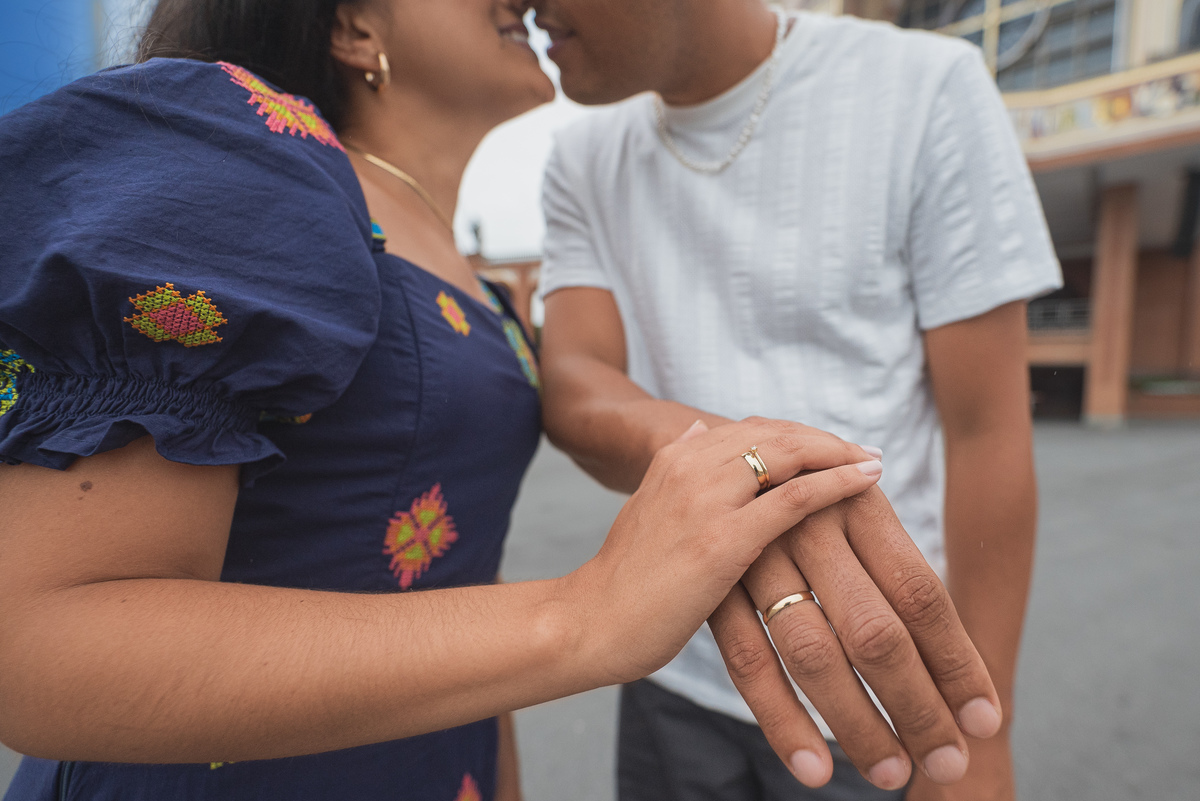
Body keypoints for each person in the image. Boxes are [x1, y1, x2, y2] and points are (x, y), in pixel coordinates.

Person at [0, 1, 1002, 800]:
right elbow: (39, 645)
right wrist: (585, 613)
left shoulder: (469, 271)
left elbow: (453, 574)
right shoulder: (251, 157)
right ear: (355, 27)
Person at [535, 1, 1062, 800]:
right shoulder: (581, 153)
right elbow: (574, 380)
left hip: (882, 686)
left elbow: (986, 429)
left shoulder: (923, 89)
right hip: (670, 663)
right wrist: (754, 469)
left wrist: (984, 728)